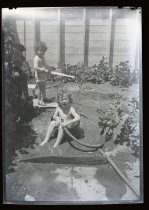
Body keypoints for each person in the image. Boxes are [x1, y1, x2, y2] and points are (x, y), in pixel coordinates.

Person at [34, 42, 52, 106]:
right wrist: (43, 69)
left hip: (43, 75)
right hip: (39, 76)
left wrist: (49, 68)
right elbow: (36, 67)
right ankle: (39, 101)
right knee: (40, 88)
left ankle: (44, 98)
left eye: (43, 51)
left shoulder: (43, 57)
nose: (42, 52)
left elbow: (44, 64)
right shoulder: (36, 58)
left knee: (43, 87)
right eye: (40, 50)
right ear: (36, 50)